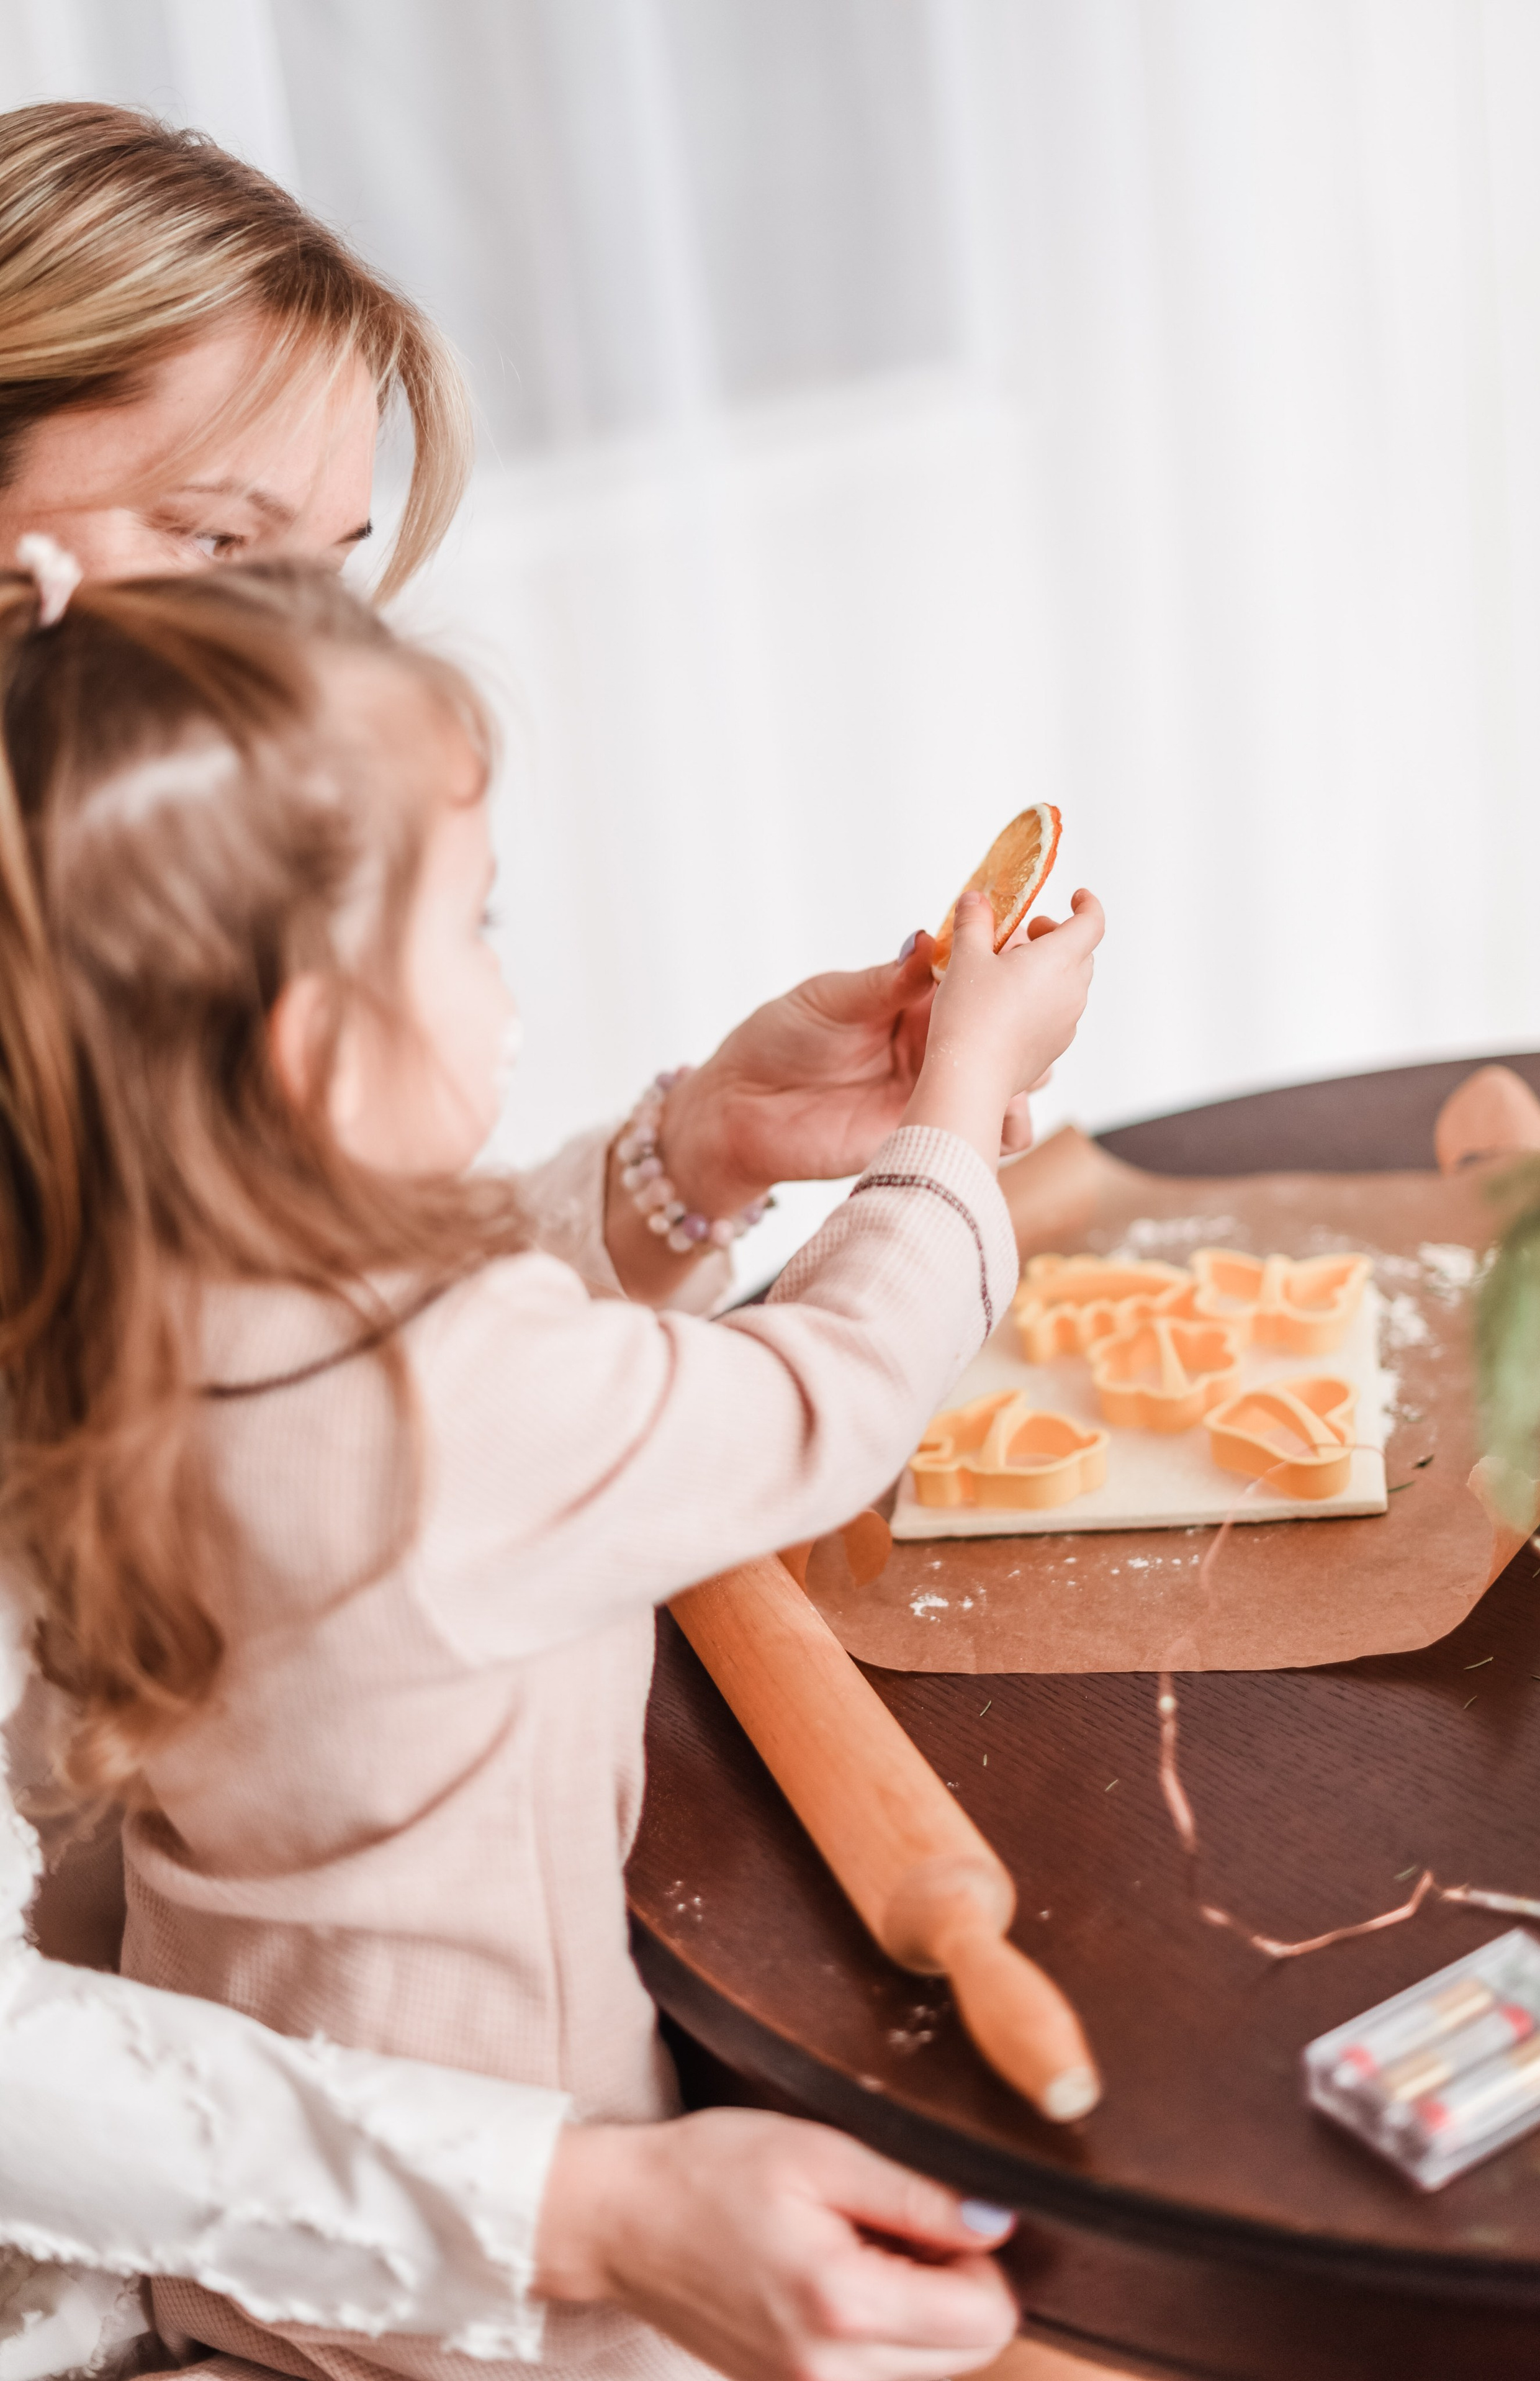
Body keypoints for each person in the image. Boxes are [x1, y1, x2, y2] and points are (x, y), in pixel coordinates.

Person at [0, 101, 1097, 2381]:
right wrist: (956, 1138)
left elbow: (344, 1355)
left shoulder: (155, 1060)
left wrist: (689, 1155)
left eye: (328, 567)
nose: (283, 649)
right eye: (217, 538)